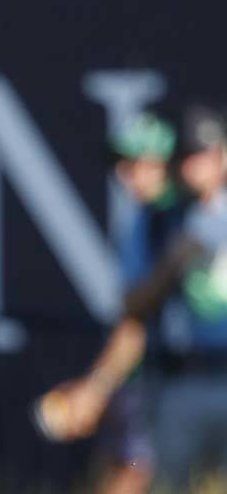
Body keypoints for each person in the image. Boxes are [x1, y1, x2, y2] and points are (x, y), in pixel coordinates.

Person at [36, 112, 186, 494]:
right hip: (153, 379)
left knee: (130, 476)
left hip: (179, 382)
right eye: (122, 163)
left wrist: (95, 388)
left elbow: (137, 318)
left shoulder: (181, 219)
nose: (124, 173)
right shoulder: (144, 220)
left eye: (136, 163)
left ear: (164, 163)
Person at [123, 106, 227, 486]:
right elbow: (132, 306)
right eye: (185, 157)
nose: (193, 167)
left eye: (203, 155)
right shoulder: (160, 219)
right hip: (183, 382)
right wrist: (173, 263)